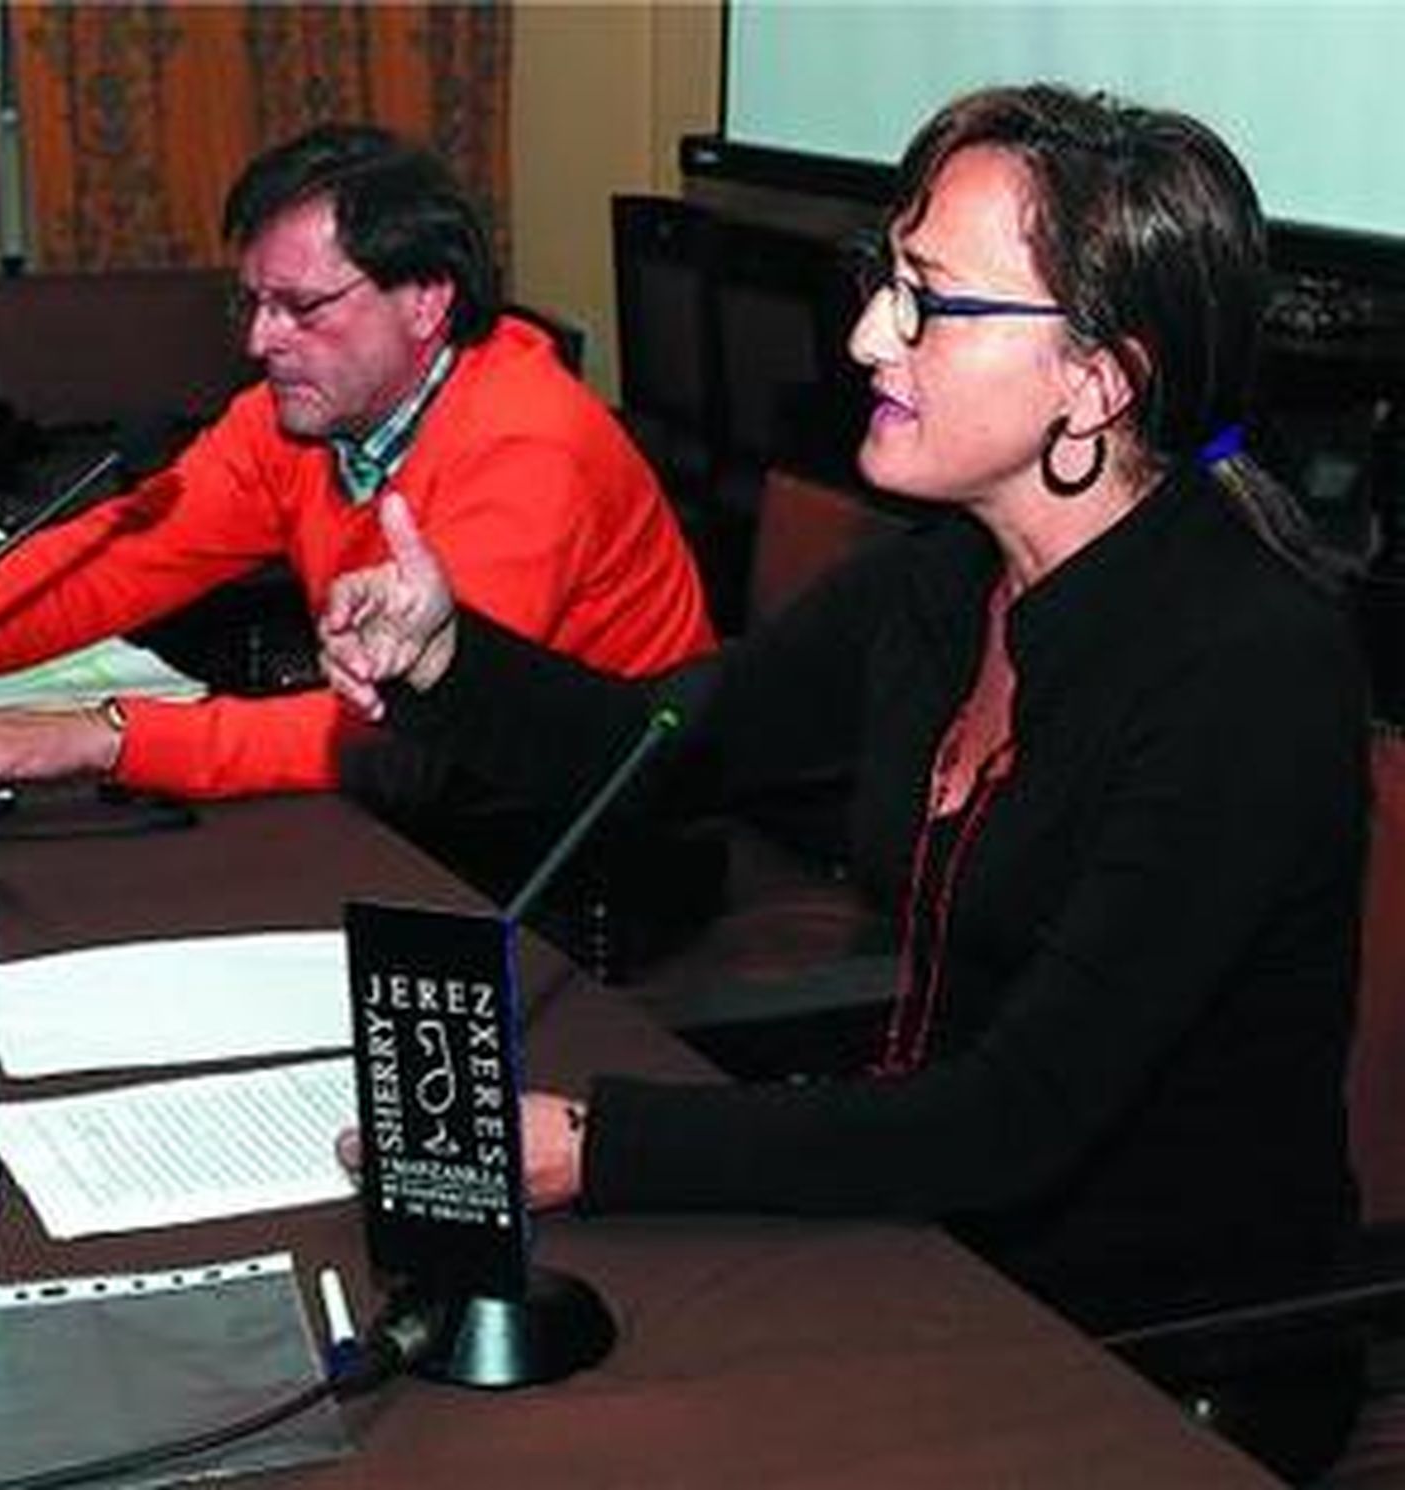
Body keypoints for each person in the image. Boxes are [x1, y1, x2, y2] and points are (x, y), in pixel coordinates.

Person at [320, 85, 1369, 1481]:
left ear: (1099, 380)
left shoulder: (1246, 667)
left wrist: (601, 1145)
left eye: (930, 301)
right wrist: (445, 655)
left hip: (1154, 1343)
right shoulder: (942, 584)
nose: (871, 331)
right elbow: (656, 748)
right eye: (886, 278)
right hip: (931, 1234)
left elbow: (1016, 1116)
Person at [0, 123, 712, 800]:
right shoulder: (295, 419)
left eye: (301, 307)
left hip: (601, 830)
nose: (260, 340)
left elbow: (413, 727)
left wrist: (100, 735)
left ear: (425, 300)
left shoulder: (530, 447)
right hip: (450, 796)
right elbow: (122, 557)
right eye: (251, 303)